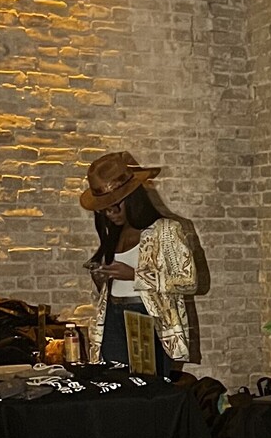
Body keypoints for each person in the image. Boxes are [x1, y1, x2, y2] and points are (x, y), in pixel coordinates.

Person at [81, 151, 197, 377]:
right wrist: (102, 280)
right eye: (104, 208)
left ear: (133, 198)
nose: (110, 213)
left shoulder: (165, 230)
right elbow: (116, 285)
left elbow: (189, 282)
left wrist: (135, 275)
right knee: (116, 390)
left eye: (115, 206)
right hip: (112, 318)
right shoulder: (113, 235)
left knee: (147, 394)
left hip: (145, 318)